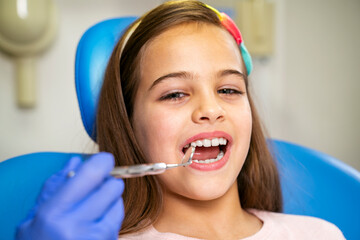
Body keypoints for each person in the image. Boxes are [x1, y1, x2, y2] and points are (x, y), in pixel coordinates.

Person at [16, 1, 345, 239]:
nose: (210, 109)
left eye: (229, 89)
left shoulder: (319, 234)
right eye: (174, 94)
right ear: (129, 124)